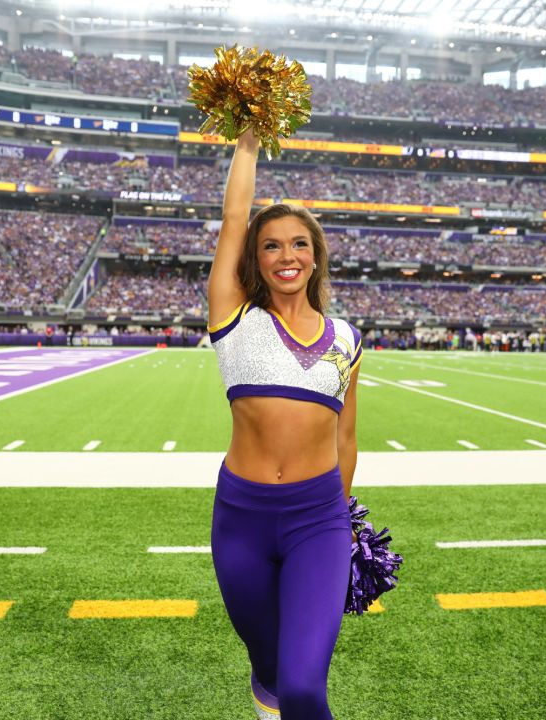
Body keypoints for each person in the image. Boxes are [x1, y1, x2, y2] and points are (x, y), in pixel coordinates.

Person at [206, 128, 362, 720]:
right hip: (242, 520)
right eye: (271, 246)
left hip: (318, 521)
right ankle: (266, 687)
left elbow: (346, 440)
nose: (287, 255)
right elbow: (232, 217)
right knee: (270, 669)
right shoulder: (233, 317)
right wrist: (247, 142)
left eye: (300, 244)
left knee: (303, 689)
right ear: (256, 258)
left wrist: (342, 519)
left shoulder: (346, 339)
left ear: (316, 255)